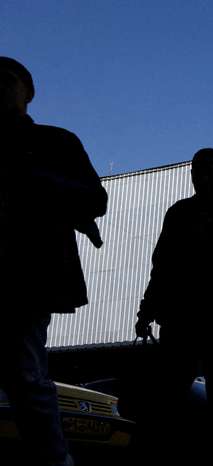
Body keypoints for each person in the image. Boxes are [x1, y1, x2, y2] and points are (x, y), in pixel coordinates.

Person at [0, 57, 108, 466]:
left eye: (6, 80)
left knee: (25, 375)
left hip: (26, 275)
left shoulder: (55, 142)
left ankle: (53, 459)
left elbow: (94, 198)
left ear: (27, 92)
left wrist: (32, 178)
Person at [135, 148, 213, 456]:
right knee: (171, 398)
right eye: (197, 172)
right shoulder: (178, 214)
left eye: (209, 172)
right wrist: (146, 312)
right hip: (180, 321)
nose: (202, 178)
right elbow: (161, 268)